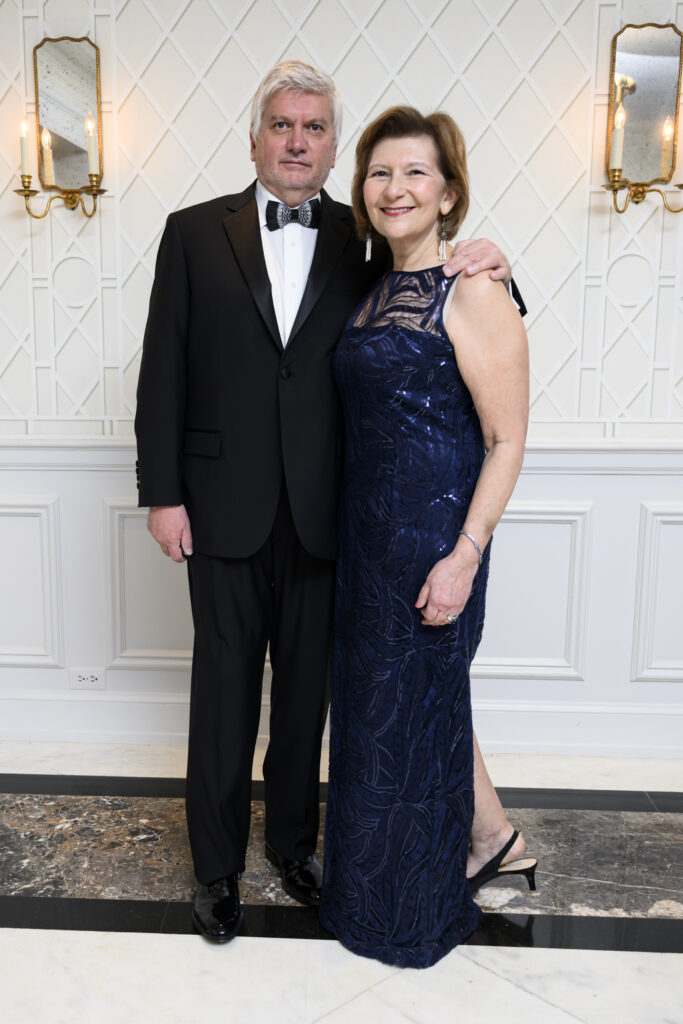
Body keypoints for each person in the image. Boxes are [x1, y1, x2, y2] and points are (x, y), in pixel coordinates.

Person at [135, 61, 517, 945]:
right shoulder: (190, 233)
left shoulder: (365, 235)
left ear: (333, 146)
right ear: (255, 138)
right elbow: (162, 370)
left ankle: (294, 848)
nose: (297, 141)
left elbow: (441, 288)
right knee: (223, 696)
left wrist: (496, 257)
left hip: (330, 515)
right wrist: (163, 494)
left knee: (307, 700)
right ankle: (216, 869)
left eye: (314, 128)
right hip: (218, 509)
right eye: (282, 124)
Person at [318, 106, 534, 968]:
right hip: (367, 541)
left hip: (436, 543)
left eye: (415, 172)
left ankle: (404, 908)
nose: (394, 187)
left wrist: (465, 554)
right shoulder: (371, 286)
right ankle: (493, 840)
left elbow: (506, 439)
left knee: (415, 715)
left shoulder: (472, 287)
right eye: (378, 172)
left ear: (448, 194)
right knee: (394, 714)